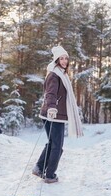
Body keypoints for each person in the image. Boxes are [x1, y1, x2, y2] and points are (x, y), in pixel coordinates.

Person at [32, 45, 83, 184]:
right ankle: (50, 174)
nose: (65, 61)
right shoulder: (55, 75)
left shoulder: (61, 74)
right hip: (53, 114)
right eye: (62, 58)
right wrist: (52, 108)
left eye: (66, 58)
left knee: (53, 143)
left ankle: (39, 167)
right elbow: (51, 93)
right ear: (56, 60)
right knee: (57, 146)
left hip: (54, 114)